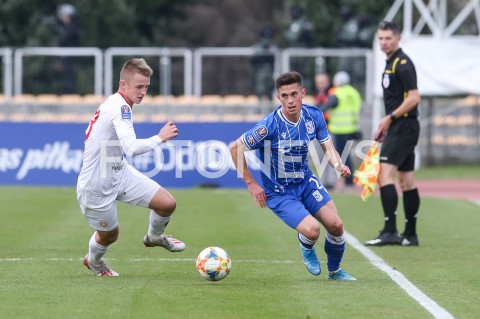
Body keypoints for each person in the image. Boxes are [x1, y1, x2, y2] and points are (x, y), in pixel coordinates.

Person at [230, 71, 356, 280]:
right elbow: (235, 149)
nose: (290, 100)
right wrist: (252, 185)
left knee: (336, 225)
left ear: (303, 93)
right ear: (278, 98)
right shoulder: (268, 126)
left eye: (294, 94)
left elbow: (328, 147)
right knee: (313, 230)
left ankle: (334, 272)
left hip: (305, 181)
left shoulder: (314, 115)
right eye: (285, 96)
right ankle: (306, 244)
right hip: (280, 192)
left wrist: (337, 164)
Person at [77, 58, 185, 276]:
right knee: (110, 235)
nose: (143, 92)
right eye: (139, 86)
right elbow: (132, 148)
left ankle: (154, 237)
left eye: (146, 87)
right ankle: (94, 261)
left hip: (118, 171)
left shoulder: (118, 104)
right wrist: (160, 138)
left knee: (167, 204)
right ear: (123, 84)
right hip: (96, 186)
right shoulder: (120, 107)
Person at [364, 21, 421, 247]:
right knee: (406, 180)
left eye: (388, 38)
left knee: (383, 175)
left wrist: (390, 118)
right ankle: (410, 234)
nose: (384, 42)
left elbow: (414, 98)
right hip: (401, 126)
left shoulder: (403, 63)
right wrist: (389, 123)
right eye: (381, 38)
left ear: (398, 38)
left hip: (403, 126)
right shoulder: (391, 63)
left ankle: (390, 230)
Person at [320, 71, 362, 189]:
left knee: (341, 155)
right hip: (352, 127)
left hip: (339, 128)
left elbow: (327, 106)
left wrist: (317, 112)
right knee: (347, 154)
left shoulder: (338, 93)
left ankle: (348, 181)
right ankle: (349, 180)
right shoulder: (354, 92)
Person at [313, 73, 336, 190]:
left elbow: (325, 109)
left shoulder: (331, 93)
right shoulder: (320, 94)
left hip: (329, 128)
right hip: (320, 129)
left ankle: (331, 182)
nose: (320, 85)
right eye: (318, 83)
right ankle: (323, 180)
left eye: (322, 82)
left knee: (330, 155)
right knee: (320, 156)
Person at [56, 3, 80, 94]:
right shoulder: (70, 28)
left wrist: (58, 43)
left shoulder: (72, 28)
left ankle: (70, 93)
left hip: (69, 57)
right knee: (66, 76)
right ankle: (68, 92)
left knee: (69, 75)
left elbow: (64, 40)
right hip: (66, 57)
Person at [250, 27, 276, 100]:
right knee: (260, 92)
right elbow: (251, 59)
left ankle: (271, 110)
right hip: (260, 73)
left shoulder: (272, 47)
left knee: (270, 92)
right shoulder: (257, 47)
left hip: (270, 73)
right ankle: (260, 109)